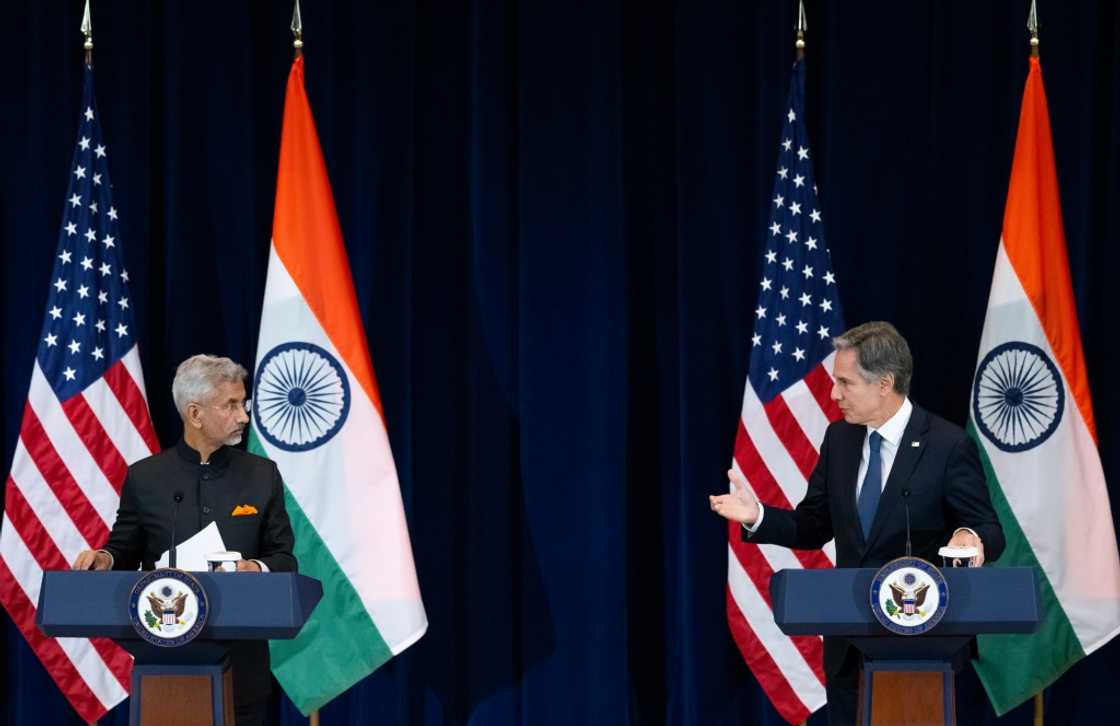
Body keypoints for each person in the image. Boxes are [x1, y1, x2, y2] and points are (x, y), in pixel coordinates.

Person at [709, 321, 1004, 726]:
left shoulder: (947, 445)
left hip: (922, 648)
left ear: (884, 384)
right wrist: (758, 515)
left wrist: (970, 536)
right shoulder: (840, 440)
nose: (834, 394)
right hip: (849, 647)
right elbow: (813, 525)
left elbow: (989, 529)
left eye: (845, 383)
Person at [73, 354, 296, 726]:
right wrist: (104, 559)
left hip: (242, 674)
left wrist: (255, 568)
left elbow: (284, 558)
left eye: (243, 403)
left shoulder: (262, 475)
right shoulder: (146, 477)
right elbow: (124, 548)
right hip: (165, 672)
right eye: (230, 405)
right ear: (195, 413)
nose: (243, 416)